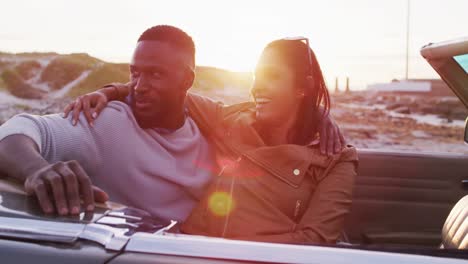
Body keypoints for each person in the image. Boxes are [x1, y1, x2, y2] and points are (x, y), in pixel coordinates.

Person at [0, 25, 342, 225]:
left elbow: (269, 115)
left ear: (187, 80)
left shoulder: (213, 126)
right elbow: (17, 131)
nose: (139, 86)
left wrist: (319, 116)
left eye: (156, 74)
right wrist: (34, 169)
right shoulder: (107, 125)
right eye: (134, 73)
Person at [64, 36, 357, 244]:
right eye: (256, 76)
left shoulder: (336, 159)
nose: (258, 87)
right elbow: (169, 90)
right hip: (187, 248)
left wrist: (223, 250)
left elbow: (314, 242)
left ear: (302, 88)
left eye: (272, 77)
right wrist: (109, 92)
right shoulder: (231, 118)